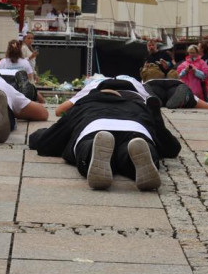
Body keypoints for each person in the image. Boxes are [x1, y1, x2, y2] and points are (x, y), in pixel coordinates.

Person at [29, 79, 181, 191]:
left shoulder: (84, 105)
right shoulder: (138, 106)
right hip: (135, 129)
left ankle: (91, 152)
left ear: (97, 91)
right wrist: (156, 119)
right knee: (128, 152)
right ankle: (141, 155)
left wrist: (36, 137)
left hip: (95, 127)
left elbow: (50, 140)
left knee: (86, 146)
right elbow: (171, 148)